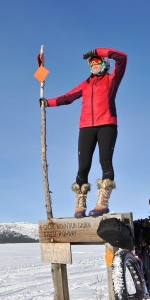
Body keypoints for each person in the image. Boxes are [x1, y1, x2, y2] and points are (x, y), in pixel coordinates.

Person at [41, 47, 127, 218]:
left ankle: (102, 203)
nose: (94, 64)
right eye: (91, 62)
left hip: (107, 125)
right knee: (83, 166)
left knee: (105, 162)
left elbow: (122, 58)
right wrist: (47, 103)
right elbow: (68, 97)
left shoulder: (112, 80)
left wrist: (98, 51)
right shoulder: (86, 84)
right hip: (86, 126)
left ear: (104, 64)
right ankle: (81, 202)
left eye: (97, 61)